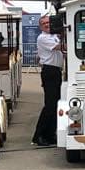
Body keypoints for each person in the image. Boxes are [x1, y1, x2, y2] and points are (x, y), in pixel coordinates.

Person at [31, 14, 62, 147]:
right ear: (40, 26)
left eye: (49, 23)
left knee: (55, 105)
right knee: (49, 105)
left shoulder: (53, 36)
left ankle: (50, 135)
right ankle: (38, 136)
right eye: (44, 24)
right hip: (49, 71)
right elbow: (58, 47)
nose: (47, 25)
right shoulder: (43, 38)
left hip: (56, 70)